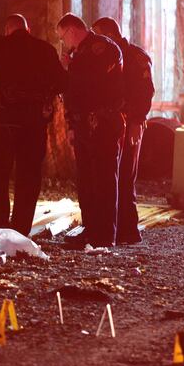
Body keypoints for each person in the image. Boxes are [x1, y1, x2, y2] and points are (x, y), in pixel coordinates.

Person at [0, 14, 66, 236]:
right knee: (29, 179)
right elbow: (63, 82)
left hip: (4, 123)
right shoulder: (45, 50)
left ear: (8, 29)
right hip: (34, 125)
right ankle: (21, 231)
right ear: (27, 28)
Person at [57, 13, 124, 248]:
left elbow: (89, 86)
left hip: (103, 123)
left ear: (72, 31)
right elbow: (70, 95)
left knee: (104, 179)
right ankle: (90, 228)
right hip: (84, 124)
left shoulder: (102, 48)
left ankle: (105, 234)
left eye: (63, 37)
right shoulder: (79, 55)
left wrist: (69, 68)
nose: (64, 44)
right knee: (86, 180)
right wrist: (72, 125)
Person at [91, 17, 155, 245]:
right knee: (111, 176)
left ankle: (128, 230)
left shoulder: (135, 58)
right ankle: (114, 229)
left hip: (131, 123)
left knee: (126, 176)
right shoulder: (107, 57)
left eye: (98, 36)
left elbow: (145, 91)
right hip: (112, 123)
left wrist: (138, 120)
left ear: (109, 35)